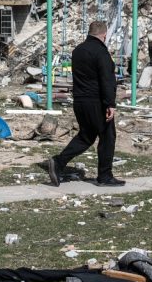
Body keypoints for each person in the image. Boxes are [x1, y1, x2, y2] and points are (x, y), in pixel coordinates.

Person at [47, 21, 124, 187]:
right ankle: (105, 176)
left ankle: (58, 162)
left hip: (80, 101)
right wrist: (110, 104)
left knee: (86, 136)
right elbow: (107, 79)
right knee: (107, 137)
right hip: (97, 102)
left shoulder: (78, 51)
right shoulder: (101, 52)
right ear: (104, 35)